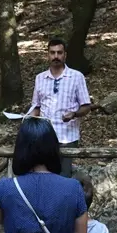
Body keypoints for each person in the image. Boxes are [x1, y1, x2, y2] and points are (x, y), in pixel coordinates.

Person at [28, 38, 91, 175]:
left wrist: (74, 114)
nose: (56, 56)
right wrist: (26, 121)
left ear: (65, 55)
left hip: (67, 137)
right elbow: (36, 107)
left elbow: (86, 106)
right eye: (52, 53)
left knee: (63, 176)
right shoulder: (40, 78)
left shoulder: (76, 77)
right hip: (44, 137)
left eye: (59, 53)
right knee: (44, 176)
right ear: (47, 55)